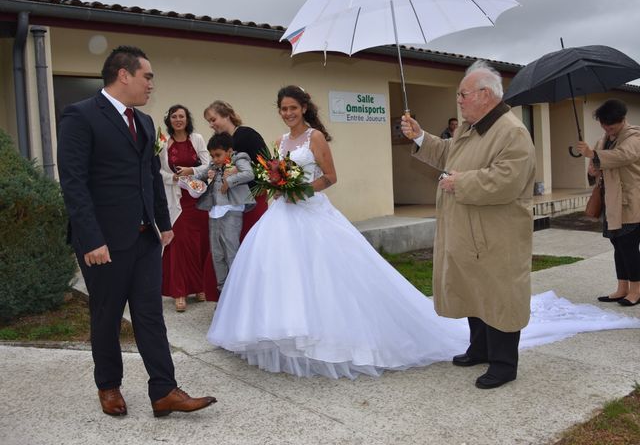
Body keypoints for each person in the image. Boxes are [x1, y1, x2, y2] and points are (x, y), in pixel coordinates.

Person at [206, 84, 640, 381]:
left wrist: (301, 186)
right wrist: (281, 186)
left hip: (319, 211)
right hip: (285, 214)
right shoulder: (281, 140)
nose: (288, 114)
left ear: (304, 108)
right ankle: (286, 340)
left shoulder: (316, 138)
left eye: (293, 108)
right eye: (283, 109)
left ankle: (495, 356)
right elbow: (444, 150)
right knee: (282, 278)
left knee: (332, 278)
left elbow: (330, 176)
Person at [57, 45, 216, 417]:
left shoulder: (144, 122)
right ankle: (108, 386)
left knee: (150, 315)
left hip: (145, 237)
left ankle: (164, 390)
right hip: (104, 242)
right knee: (107, 315)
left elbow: (148, 178)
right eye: (147, 77)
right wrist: (92, 238)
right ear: (124, 75)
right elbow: (74, 183)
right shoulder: (80, 116)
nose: (151, 85)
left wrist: (163, 224)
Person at [400, 60, 536, 389]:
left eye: (463, 94)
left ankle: (504, 364)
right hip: (470, 229)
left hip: (497, 231)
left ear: (485, 95)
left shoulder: (512, 132)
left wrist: (461, 183)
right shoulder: (472, 128)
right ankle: (480, 349)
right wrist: (420, 137)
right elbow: (448, 154)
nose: (458, 100)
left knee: (500, 294)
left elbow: (507, 180)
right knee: (476, 290)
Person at [576, 99, 640, 306]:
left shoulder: (634, 137)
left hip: (630, 202)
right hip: (610, 201)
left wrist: (593, 155)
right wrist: (593, 169)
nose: (606, 128)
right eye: (603, 124)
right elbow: (597, 167)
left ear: (622, 120)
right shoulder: (603, 140)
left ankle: (637, 290)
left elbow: (623, 156)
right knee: (618, 244)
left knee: (629, 245)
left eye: (610, 124)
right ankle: (622, 288)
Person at [158, 104, 214, 312]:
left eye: (182, 116)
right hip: (178, 200)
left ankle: (200, 287)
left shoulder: (197, 139)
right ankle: (179, 292)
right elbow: (159, 171)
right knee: (179, 244)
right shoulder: (163, 143)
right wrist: (173, 177)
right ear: (169, 120)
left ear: (187, 119)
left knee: (200, 243)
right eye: (174, 116)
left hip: (197, 198)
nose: (178, 120)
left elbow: (209, 165)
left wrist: (191, 170)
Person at [195, 132, 256, 292]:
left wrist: (229, 181)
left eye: (218, 155)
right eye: (212, 155)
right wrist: (201, 178)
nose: (214, 159)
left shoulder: (239, 158)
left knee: (231, 251)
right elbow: (200, 177)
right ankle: (222, 290)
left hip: (231, 210)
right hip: (214, 212)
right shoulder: (213, 164)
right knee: (217, 253)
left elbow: (249, 173)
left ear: (229, 151)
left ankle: (236, 291)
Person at [203, 100, 268, 240]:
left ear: (226, 115)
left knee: (250, 243)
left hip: (253, 200)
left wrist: (239, 171)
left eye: (213, 119)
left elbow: (267, 166)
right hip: (229, 205)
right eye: (209, 121)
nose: (211, 125)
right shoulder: (217, 142)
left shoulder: (248, 135)